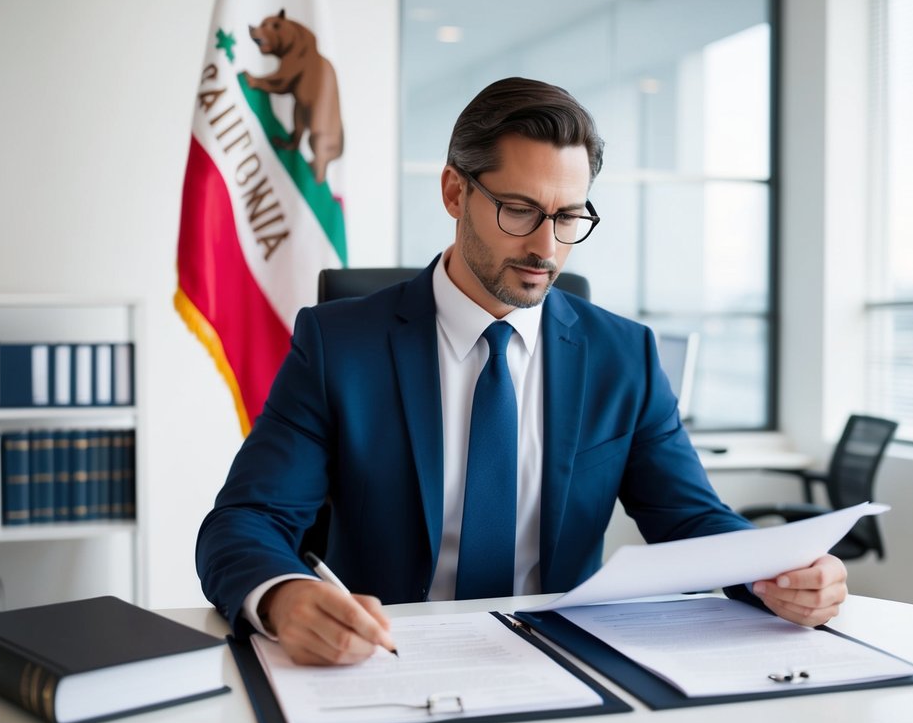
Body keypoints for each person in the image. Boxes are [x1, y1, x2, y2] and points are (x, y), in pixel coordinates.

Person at [196, 77, 848, 666]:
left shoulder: (624, 356)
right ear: (455, 191)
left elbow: (691, 520)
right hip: (387, 658)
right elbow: (245, 522)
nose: (545, 247)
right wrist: (283, 596)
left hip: (564, 664)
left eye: (568, 217)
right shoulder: (339, 344)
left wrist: (780, 571)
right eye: (519, 211)